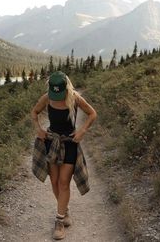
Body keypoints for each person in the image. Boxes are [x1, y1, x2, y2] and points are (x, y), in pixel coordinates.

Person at [31, 71, 97, 240]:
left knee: (64, 182)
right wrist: (38, 129)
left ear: (66, 87)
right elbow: (34, 112)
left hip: (69, 143)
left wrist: (82, 130)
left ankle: (59, 221)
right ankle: (64, 210)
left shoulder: (75, 98)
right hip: (51, 142)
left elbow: (92, 113)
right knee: (54, 181)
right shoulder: (46, 97)